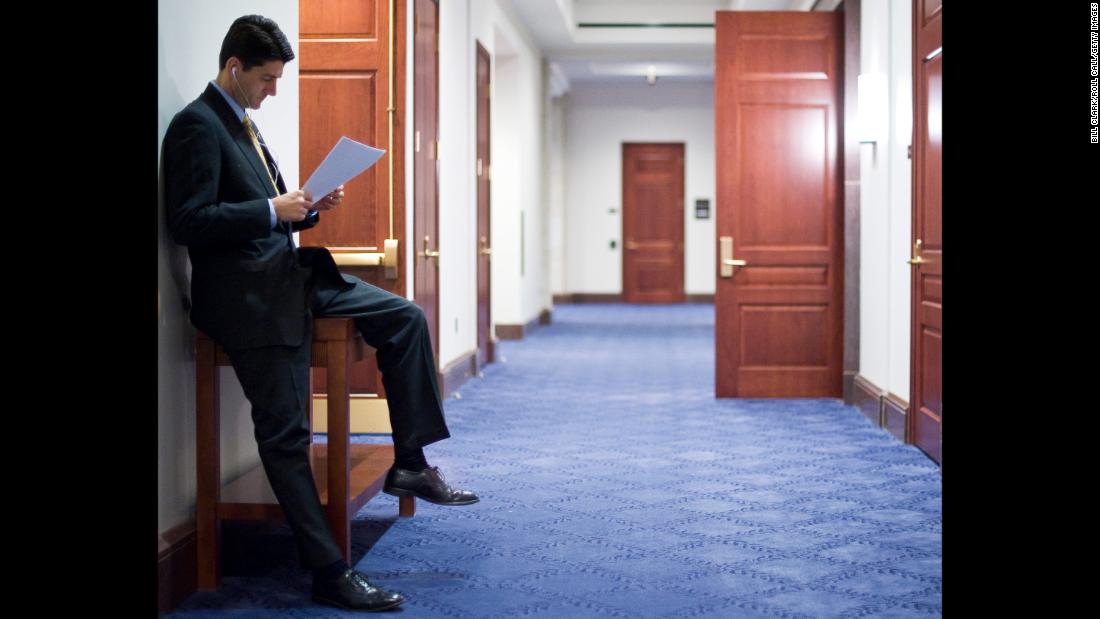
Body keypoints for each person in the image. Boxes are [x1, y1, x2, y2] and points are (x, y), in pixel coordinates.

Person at [162, 14, 478, 613]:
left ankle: (410, 463)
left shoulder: (244, 126)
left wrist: (306, 209)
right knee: (286, 435)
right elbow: (188, 222)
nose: (274, 90)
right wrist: (270, 211)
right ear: (235, 68)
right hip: (245, 299)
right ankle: (328, 571)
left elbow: (269, 211)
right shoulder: (196, 127)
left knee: (405, 318)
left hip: (288, 276)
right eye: (268, 79)